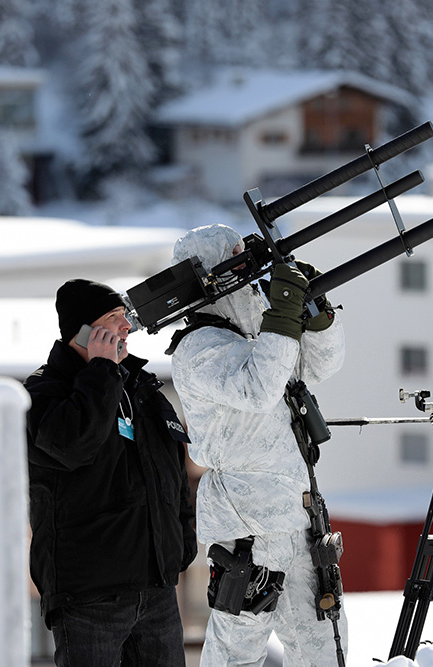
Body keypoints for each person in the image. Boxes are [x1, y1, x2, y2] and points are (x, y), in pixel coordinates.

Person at [167, 224, 348, 666]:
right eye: (234, 261)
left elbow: (317, 366)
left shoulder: (254, 338)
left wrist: (315, 314)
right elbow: (259, 387)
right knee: (237, 650)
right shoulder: (198, 348)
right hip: (246, 524)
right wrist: (282, 318)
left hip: (297, 515)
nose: (247, 275)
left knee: (323, 641)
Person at [24, 278, 197, 667]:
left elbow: (174, 473)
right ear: (84, 331)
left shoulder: (141, 388)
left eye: (124, 316)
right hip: (89, 594)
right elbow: (73, 445)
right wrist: (101, 369)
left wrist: (180, 545)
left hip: (157, 590)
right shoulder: (44, 392)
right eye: (113, 317)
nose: (126, 326)